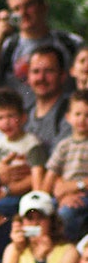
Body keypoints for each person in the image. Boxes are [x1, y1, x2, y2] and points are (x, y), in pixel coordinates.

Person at [0, 0, 84, 107]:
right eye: (16, 8)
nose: (23, 13)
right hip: (17, 123)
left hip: (64, 122)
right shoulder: (8, 47)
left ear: (44, 7)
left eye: (29, 5)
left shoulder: (70, 43)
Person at [0, 87, 47, 216]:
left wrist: (8, 191)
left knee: (1, 206)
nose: (6, 122)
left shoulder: (31, 144)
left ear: (23, 117)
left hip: (22, 197)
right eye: (0, 118)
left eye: (11, 116)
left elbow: (37, 178)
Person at [42, 89, 88, 242]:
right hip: (62, 195)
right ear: (68, 117)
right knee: (41, 211)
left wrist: (74, 186)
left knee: (67, 214)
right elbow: (49, 180)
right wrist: (61, 193)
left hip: (83, 195)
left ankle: (66, 248)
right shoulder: (64, 146)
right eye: (78, 114)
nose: (82, 119)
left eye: (87, 115)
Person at [25, 45, 73, 154]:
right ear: (28, 76)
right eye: (36, 71)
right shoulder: (23, 116)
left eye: (49, 71)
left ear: (62, 75)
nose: (41, 78)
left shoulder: (72, 113)